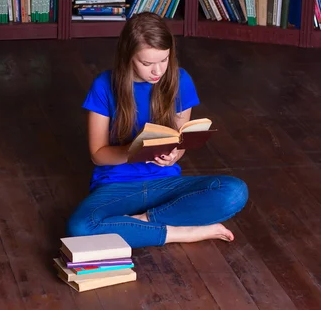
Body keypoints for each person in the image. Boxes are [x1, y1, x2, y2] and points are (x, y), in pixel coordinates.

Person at [66, 12, 248, 249]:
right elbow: (98, 154)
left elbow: (180, 142)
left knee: (234, 191)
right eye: (146, 63)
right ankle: (181, 232)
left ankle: (142, 223)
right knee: (79, 229)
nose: (158, 71)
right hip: (116, 186)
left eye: (164, 60)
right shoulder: (104, 85)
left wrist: (174, 155)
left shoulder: (180, 80)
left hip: (164, 185)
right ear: (128, 57)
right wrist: (133, 151)